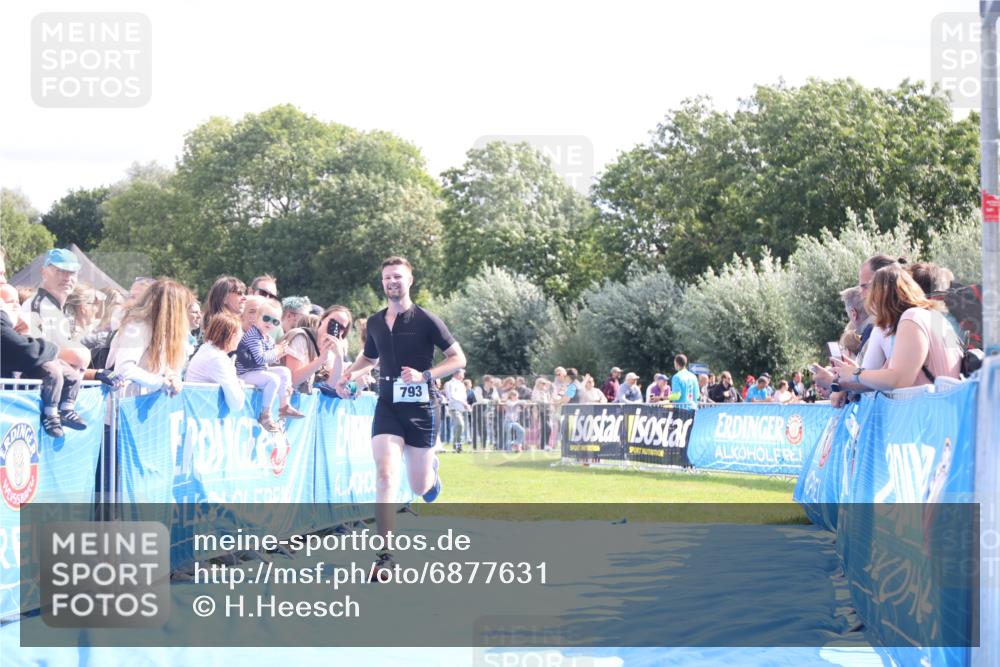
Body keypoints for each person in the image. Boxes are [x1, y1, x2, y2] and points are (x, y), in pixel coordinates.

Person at [334, 256, 466, 577]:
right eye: (386, 278)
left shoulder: (427, 320)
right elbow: (369, 356)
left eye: (397, 277)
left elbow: (458, 359)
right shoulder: (376, 322)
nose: (391, 282)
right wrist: (349, 375)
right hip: (388, 407)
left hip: (422, 409)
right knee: (385, 476)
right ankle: (385, 556)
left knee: (419, 486)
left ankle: (431, 472)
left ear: (410, 280)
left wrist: (425, 376)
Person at [831, 264, 962, 391]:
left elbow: (899, 379)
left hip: (929, 410)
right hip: (947, 407)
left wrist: (855, 373)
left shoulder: (911, 318)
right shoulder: (937, 319)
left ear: (880, 299)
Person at [1, 284, 86, 437]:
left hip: (40, 362)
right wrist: (51, 348)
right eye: (8, 302)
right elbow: (27, 351)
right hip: (11, 403)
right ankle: (51, 413)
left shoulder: (24, 323)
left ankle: (67, 409)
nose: (14, 305)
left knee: (70, 374)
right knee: (52, 372)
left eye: (16, 302)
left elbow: (34, 346)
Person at [107, 278, 190, 399]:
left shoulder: (167, 332)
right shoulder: (137, 325)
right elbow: (124, 368)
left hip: (147, 402)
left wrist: (174, 378)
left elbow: (168, 366)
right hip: (126, 401)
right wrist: (159, 382)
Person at [235, 299, 303, 431]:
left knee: (284, 371)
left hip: (258, 371)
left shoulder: (268, 338)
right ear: (257, 318)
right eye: (266, 318)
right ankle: (265, 415)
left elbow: (268, 360)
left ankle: (284, 406)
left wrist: (279, 353)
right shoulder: (253, 336)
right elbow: (260, 359)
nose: (269, 323)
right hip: (245, 374)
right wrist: (276, 351)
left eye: (274, 321)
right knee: (273, 379)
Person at [184, 313, 245, 412]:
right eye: (240, 335)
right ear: (232, 337)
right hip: (203, 415)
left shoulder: (206, 350)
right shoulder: (218, 358)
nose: (241, 339)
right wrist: (238, 386)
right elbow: (236, 403)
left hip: (197, 411)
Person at [444, 369, 470, 452]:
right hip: (454, 407)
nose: (463, 376)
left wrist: (465, 404)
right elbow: (452, 396)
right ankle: (457, 444)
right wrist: (464, 403)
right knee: (460, 425)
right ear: (457, 374)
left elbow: (463, 396)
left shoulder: (461, 385)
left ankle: (457, 445)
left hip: (462, 408)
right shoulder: (449, 384)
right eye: (462, 374)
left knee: (460, 427)